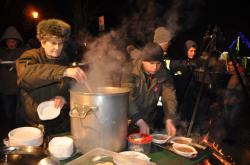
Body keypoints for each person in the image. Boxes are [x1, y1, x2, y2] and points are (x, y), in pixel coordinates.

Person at [16, 19, 87, 135]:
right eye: (53, 43)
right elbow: (25, 76)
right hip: (32, 124)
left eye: (60, 43)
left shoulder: (67, 61)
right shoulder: (31, 56)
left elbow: (76, 90)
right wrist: (63, 71)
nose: (57, 48)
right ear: (43, 42)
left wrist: (65, 99)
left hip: (59, 124)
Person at [121, 42, 177, 136]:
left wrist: (169, 119)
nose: (155, 67)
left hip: (148, 121)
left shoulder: (164, 74)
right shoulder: (130, 70)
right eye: (151, 63)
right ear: (143, 61)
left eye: (158, 64)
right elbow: (128, 97)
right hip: (128, 121)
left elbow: (169, 97)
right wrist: (139, 120)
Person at [0, 26, 25, 130]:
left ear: (17, 42)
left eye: (13, 41)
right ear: (6, 42)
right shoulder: (1, 52)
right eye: (9, 41)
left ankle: (20, 129)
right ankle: (10, 130)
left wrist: (17, 65)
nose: (11, 44)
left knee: (20, 111)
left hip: (18, 88)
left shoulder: (22, 53)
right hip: (5, 88)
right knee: (8, 112)